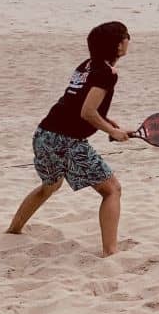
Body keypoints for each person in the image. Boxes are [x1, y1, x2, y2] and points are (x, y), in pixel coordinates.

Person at [7, 21, 133, 256]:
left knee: (49, 186)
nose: (129, 40)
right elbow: (86, 112)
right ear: (116, 46)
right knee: (112, 190)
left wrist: (107, 121)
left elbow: (79, 103)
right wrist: (111, 132)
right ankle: (111, 251)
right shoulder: (106, 73)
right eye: (126, 36)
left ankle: (13, 230)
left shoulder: (87, 66)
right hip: (66, 140)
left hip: (44, 133)